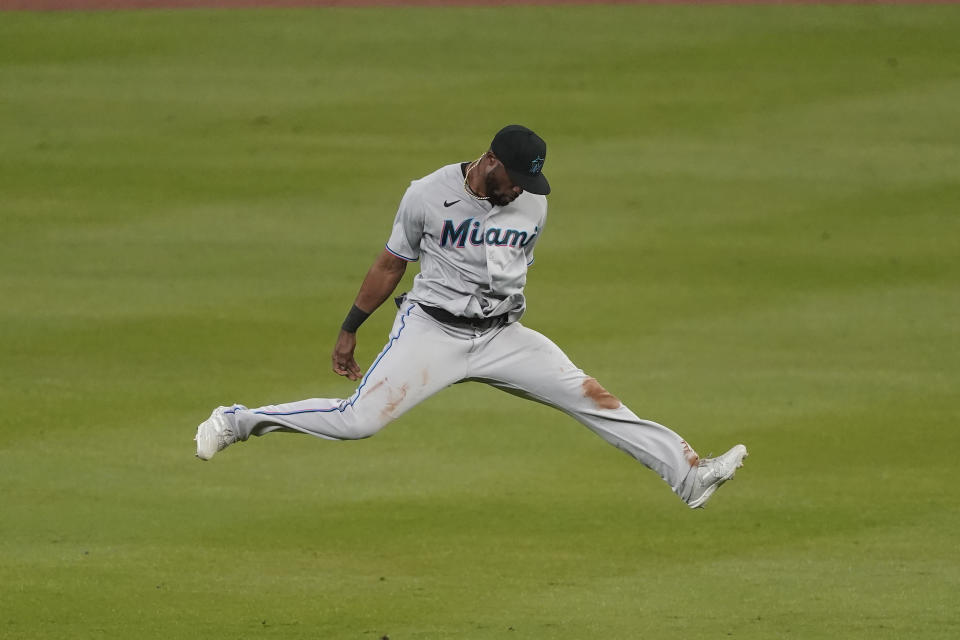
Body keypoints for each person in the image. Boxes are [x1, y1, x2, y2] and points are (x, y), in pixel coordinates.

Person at [194, 124, 747, 508]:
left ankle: (690, 475)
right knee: (357, 421)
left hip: (503, 335)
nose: (520, 194)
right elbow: (391, 265)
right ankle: (238, 420)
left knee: (592, 395)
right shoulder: (426, 195)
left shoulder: (533, 204)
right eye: (515, 181)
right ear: (490, 162)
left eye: (529, 186)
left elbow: (512, 268)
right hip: (432, 331)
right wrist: (349, 329)